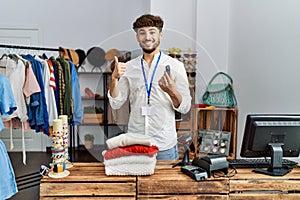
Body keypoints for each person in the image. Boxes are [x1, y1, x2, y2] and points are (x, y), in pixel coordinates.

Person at [108, 14, 191, 160]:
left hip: (164, 145)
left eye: (152, 32)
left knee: (166, 184)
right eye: (142, 32)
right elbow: (116, 102)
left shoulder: (176, 66)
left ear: (161, 35)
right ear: (137, 37)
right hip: (136, 142)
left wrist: (172, 91)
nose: (147, 37)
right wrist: (114, 79)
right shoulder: (129, 67)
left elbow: (185, 107)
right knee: (136, 183)